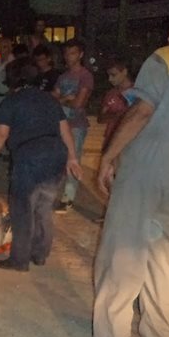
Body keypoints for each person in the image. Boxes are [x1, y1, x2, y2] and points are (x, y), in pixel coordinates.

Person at [74, 12, 169, 337]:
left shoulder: (167, 56)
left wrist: (109, 156)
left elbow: (142, 111)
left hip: (150, 162)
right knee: (166, 259)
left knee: (122, 251)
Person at [0, 57, 82, 272]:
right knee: (44, 207)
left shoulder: (12, 101)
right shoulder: (50, 100)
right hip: (55, 154)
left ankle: (19, 259)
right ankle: (40, 254)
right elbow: (65, 130)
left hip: (29, 154)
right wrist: (72, 158)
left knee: (22, 208)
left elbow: (1, 133)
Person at [52, 38, 94, 213]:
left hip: (76, 124)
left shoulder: (85, 76)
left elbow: (78, 103)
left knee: (73, 158)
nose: (69, 57)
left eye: (73, 53)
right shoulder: (63, 77)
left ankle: (68, 197)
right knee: (60, 159)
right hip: (61, 123)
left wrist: (63, 100)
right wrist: (66, 99)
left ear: (81, 54)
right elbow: (53, 98)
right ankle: (60, 194)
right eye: (67, 53)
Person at [98, 58, 135, 155]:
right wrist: (118, 115)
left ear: (124, 72)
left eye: (113, 75)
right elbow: (101, 118)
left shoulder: (138, 93)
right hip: (111, 140)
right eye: (109, 75)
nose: (110, 79)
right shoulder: (111, 94)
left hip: (131, 141)